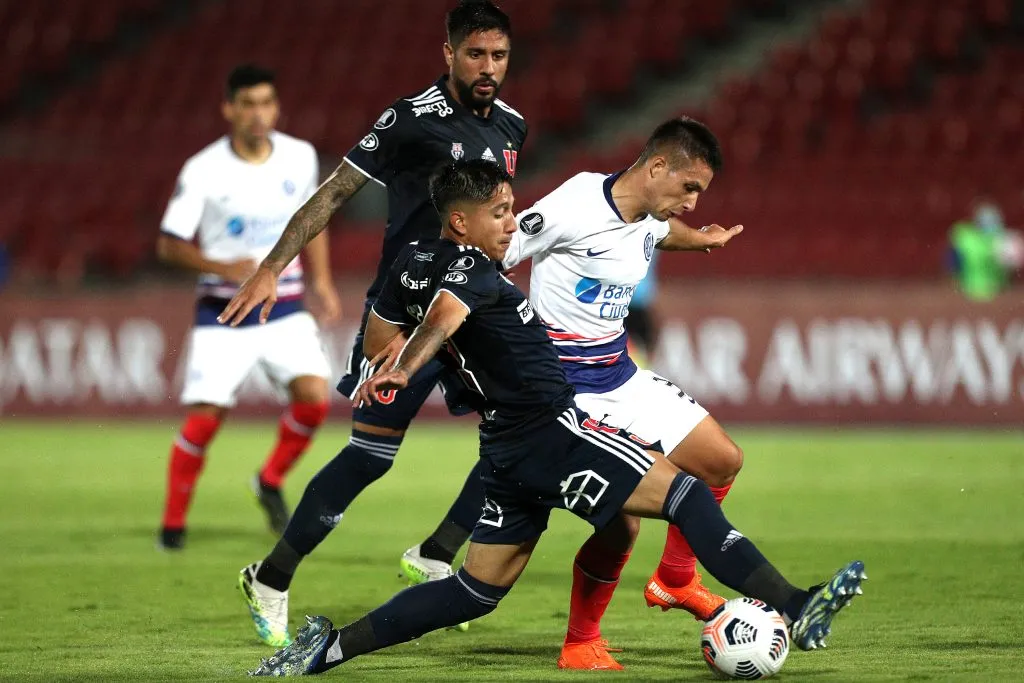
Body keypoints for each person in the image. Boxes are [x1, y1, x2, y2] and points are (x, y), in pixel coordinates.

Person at [248, 159, 865, 677]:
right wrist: (406, 370)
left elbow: (385, 322)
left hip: (505, 451)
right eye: (499, 212)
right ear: (461, 221)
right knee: (686, 494)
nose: (512, 223)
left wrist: (381, 365)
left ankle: (329, 650)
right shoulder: (471, 271)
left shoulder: (412, 261)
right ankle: (796, 602)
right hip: (554, 432)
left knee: (473, 591)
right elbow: (443, 319)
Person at [220, 1, 527, 646]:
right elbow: (334, 192)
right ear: (448, 53)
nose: (488, 67)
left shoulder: (512, 127)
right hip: (405, 308)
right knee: (370, 456)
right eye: (475, 54)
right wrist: (276, 265)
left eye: (498, 55)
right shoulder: (410, 120)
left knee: (528, 425)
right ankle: (272, 577)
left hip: (471, 306)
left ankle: (437, 551)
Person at [404, 117, 747, 670]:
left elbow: (660, 235)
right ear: (658, 167)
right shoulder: (575, 204)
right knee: (623, 522)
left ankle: (675, 580)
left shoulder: (649, 215)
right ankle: (580, 641)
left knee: (722, 461)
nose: (692, 202)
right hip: (564, 390)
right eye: (690, 188)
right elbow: (495, 247)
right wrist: (441, 306)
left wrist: (701, 241)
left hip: (621, 374)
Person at [155, 64, 339, 551]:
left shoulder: (299, 157)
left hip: (286, 304)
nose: (258, 114)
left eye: (266, 103)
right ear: (229, 109)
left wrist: (321, 282)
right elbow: (169, 245)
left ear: (276, 107)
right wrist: (219, 264)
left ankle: (270, 478)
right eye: (248, 104)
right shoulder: (203, 169)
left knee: (315, 400)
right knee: (205, 420)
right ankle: (172, 529)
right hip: (225, 309)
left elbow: (312, 222)